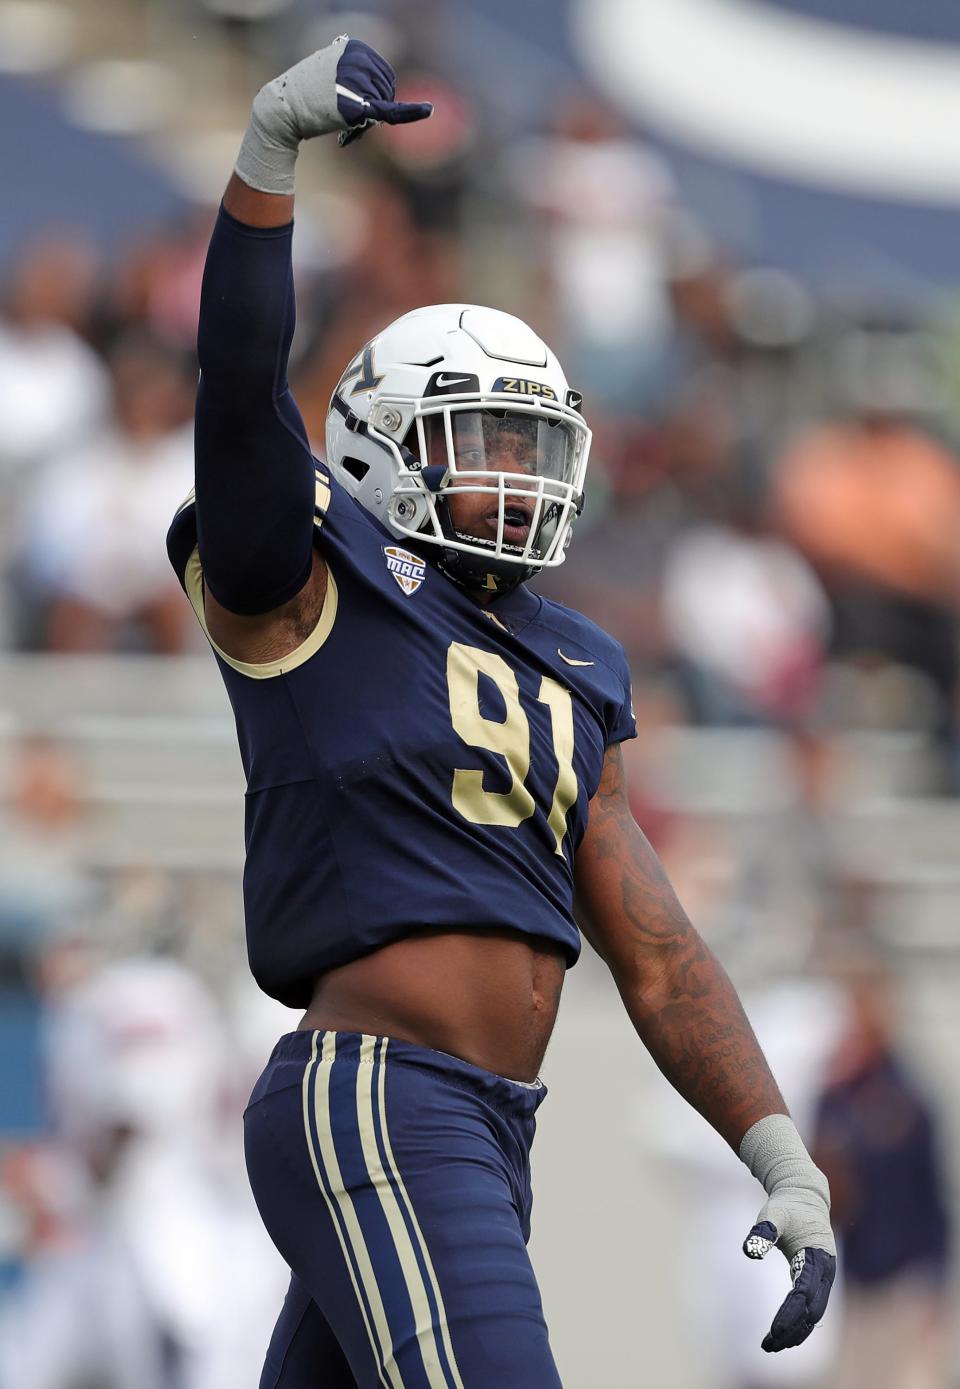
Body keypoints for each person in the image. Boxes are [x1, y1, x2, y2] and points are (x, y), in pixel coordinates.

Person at [166, 37, 836, 1387]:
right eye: (482, 441)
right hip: (382, 1092)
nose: (516, 478)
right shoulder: (320, 580)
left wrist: (778, 1150)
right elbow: (239, 392)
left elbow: (654, 947)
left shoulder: (574, 659)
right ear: (378, 444)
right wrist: (267, 162)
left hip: (490, 1124)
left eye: (535, 447)